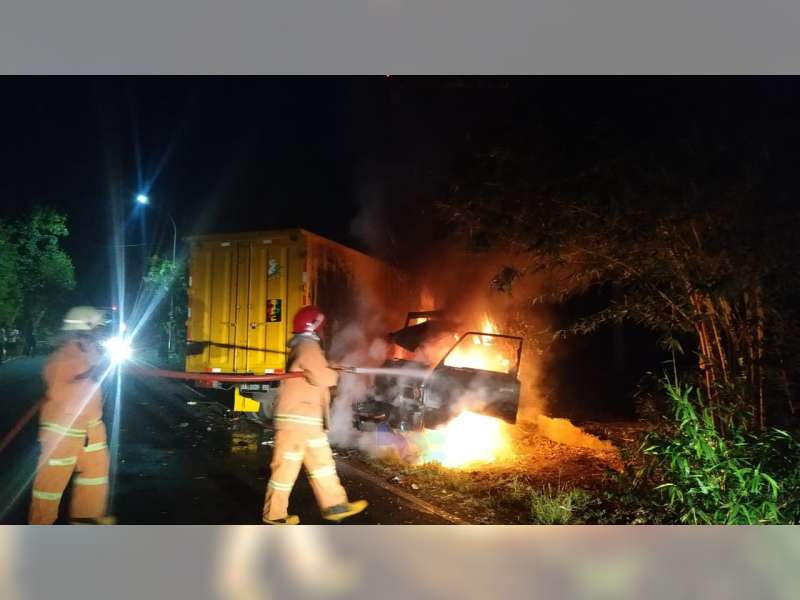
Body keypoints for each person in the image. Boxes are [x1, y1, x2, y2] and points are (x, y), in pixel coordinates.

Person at [262, 305, 368, 525]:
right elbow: (323, 377)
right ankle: (274, 515)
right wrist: (334, 374)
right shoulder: (308, 346)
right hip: (297, 421)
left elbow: (318, 370)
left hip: (307, 422)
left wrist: (333, 368)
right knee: (285, 471)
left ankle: (335, 505)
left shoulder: (305, 347)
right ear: (316, 327)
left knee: (323, 465)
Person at [28, 306, 114, 525]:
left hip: (92, 434)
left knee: (93, 484)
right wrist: (92, 374)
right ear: (83, 331)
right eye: (97, 328)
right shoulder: (62, 358)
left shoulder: (91, 353)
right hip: (61, 437)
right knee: (47, 494)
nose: (101, 333)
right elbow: (62, 395)